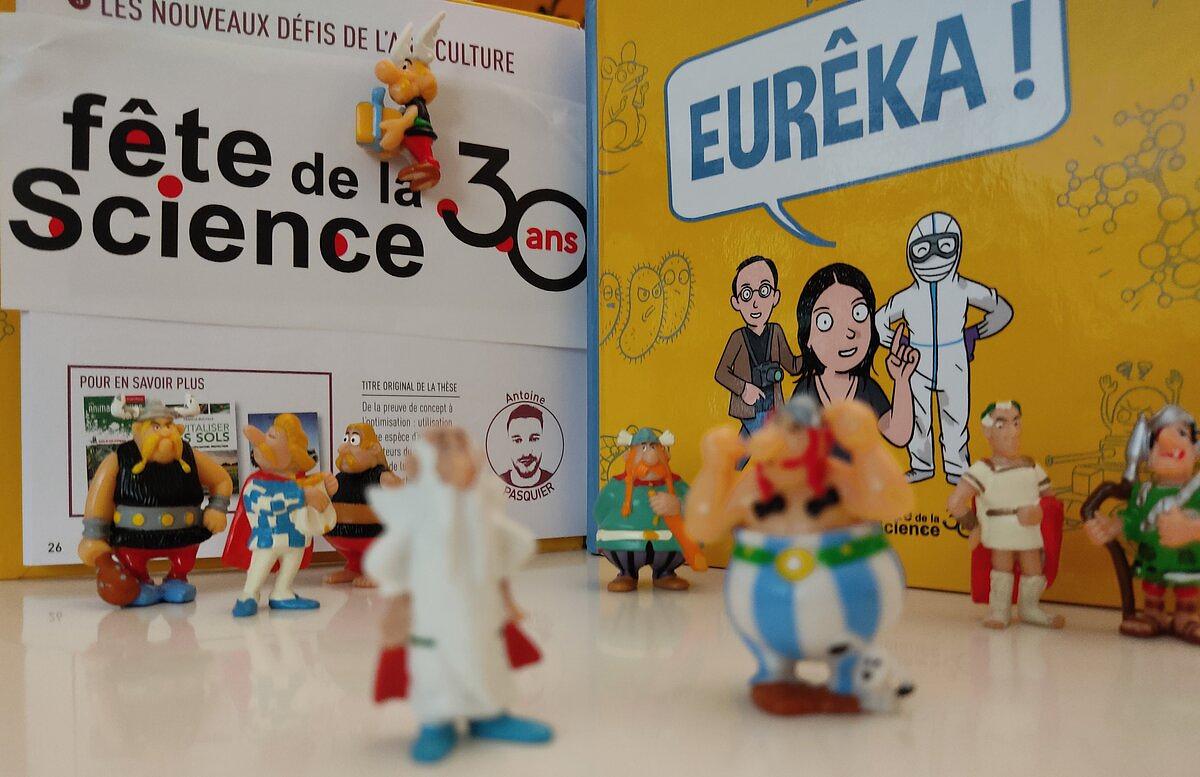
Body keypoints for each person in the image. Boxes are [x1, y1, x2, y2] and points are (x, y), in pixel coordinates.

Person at [685, 396, 916, 715]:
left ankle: (848, 678)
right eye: (777, 427)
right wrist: (715, 468)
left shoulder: (839, 481)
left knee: (850, 654)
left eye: (793, 429)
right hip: (762, 606)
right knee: (772, 662)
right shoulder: (752, 488)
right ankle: (774, 675)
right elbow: (703, 526)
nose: (778, 440)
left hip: (853, 610)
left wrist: (866, 447)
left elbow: (893, 503)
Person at [365, 426, 553, 763]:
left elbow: (512, 547)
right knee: (435, 666)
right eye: (447, 453)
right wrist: (397, 599)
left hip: (481, 609)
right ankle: (436, 722)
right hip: (431, 616)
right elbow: (384, 562)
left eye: (463, 451)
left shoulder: (481, 508)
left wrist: (505, 594)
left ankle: (489, 715)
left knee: (485, 656)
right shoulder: (419, 517)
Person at [875, 212, 1013, 484]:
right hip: (917, 361)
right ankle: (921, 465)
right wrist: (898, 342)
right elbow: (878, 323)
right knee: (918, 418)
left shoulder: (964, 288)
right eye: (923, 250)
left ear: (957, 247)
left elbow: (1002, 310)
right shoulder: (908, 297)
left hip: (954, 359)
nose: (934, 258)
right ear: (911, 254)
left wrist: (976, 332)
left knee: (956, 417)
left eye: (945, 246)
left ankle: (957, 469)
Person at [79, 396, 233, 607]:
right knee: (134, 563)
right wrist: (94, 535)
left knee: (184, 561)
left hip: (184, 534)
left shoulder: (189, 455)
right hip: (133, 536)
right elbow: (99, 497)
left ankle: (177, 579)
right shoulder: (119, 459)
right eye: (156, 427)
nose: (164, 432)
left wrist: (217, 508)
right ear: (138, 430)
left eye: (168, 426)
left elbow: (222, 480)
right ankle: (140, 582)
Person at [1085, 405, 1200, 643]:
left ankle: (1187, 617)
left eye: (1182, 434)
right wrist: (1112, 527)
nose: (1169, 443)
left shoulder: (1195, 491)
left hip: (1186, 558)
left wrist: (1191, 529)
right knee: (1152, 588)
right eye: (1157, 441)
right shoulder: (1144, 493)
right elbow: (1133, 518)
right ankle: (1153, 614)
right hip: (1152, 557)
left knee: (1187, 589)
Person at [948, 401, 1063, 629]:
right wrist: (974, 526)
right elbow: (955, 502)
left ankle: (1029, 608)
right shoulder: (983, 470)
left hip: (1029, 531)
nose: (1012, 432)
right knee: (1002, 566)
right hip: (999, 531)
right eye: (1002, 425)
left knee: (1033, 567)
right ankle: (999, 611)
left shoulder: (1031, 466)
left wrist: (1040, 512)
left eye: (1016, 423)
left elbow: (1052, 500)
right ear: (987, 432)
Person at [791, 262, 919, 447]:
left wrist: (901, 381)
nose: (848, 332)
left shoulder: (867, 389)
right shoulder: (806, 389)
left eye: (858, 313)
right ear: (808, 337)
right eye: (825, 321)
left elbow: (898, 435)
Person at [223, 413, 337, 617]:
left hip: (296, 536)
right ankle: (249, 595)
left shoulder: (301, 482)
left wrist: (327, 489)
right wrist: (301, 496)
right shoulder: (256, 483)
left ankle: (282, 592)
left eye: (272, 437)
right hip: (269, 538)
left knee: (291, 565)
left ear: (293, 455)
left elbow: (317, 499)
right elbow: (264, 503)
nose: (261, 442)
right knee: (260, 566)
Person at [592, 427, 705, 592]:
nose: (650, 456)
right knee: (623, 556)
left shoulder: (677, 485)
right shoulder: (616, 486)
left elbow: (696, 509)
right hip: (625, 544)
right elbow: (599, 512)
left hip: (669, 545)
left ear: (666, 455)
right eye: (643, 448)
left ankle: (665, 574)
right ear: (627, 456)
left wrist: (678, 505)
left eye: (653, 447)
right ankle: (626, 574)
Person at [714, 255, 801, 446]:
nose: (755, 302)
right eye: (746, 294)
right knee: (772, 448)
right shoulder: (738, 338)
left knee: (742, 450)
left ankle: (730, 464)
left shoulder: (776, 332)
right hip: (750, 408)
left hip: (773, 407)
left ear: (775, 297)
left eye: (764, 291)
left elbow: (793, 365)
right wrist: (744, 388)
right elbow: (721, 373)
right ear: (736, 302)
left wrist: (816, 352)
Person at [326, 422, 403, 587]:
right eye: (346, 440)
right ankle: (355, 567)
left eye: (353, 441)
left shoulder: (382, 477)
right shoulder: (340, 478)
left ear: (374, 449)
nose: (343, 448)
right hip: (344, 538)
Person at [500, 404, 554, 488]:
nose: (526, 453)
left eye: (534, 439)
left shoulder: (557, 481)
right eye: (517, 440)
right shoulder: (495, 485)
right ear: (508, 444)